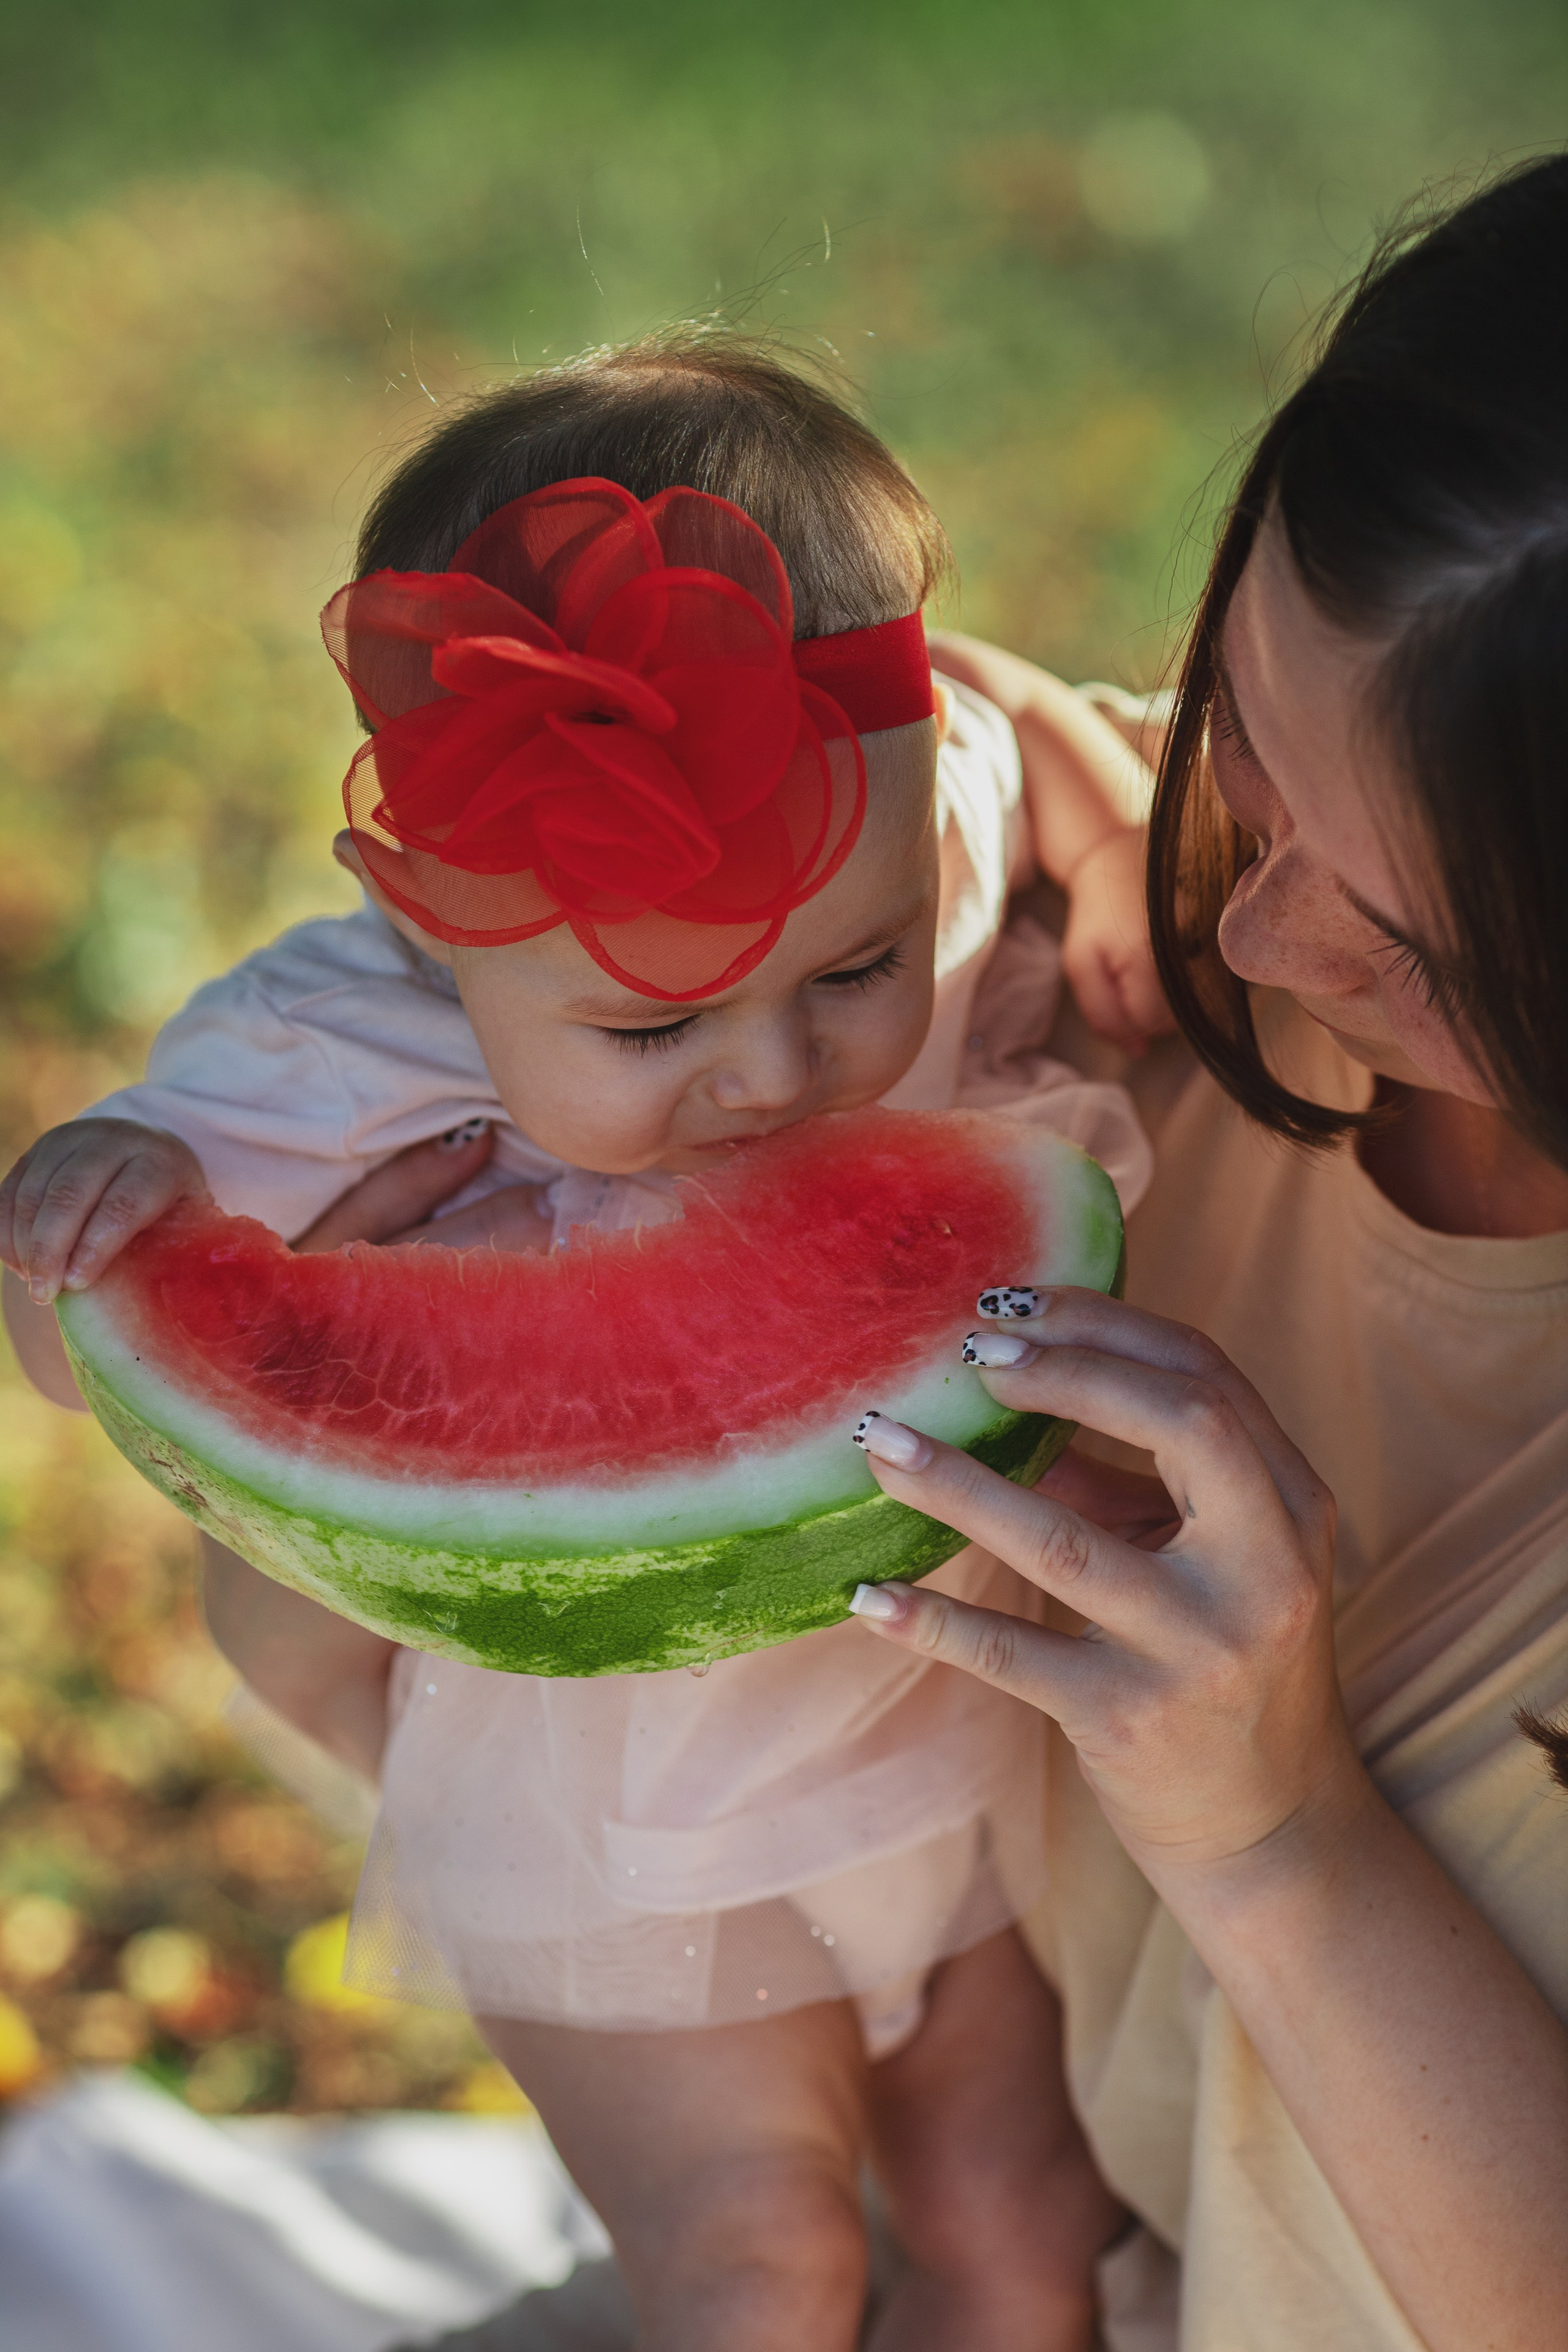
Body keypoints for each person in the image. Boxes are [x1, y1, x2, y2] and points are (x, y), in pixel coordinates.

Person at [0, 339, 1170, 2352]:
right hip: (609, 1834)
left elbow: (983, 716)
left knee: (1018, 2221)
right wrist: (92, 1210)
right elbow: (93, 1339)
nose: (775, 1069)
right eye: (651, 1029)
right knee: (761, 2269)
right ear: (422, 919)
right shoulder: (332, 1042)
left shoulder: (911, 810)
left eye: (859, 968)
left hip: (952, 1741)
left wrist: (1108, 818)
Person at [843, 157, 1568, 2351]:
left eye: (1420, 951)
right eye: (1243, 732)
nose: (1247, 936)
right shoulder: (1131, 930)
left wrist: (1274, 1836)